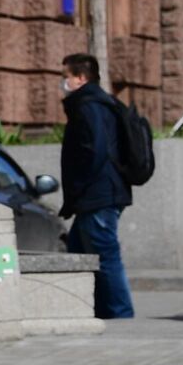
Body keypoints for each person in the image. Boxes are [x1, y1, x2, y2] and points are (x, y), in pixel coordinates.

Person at [57, 53, 135, 319]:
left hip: (99, 195)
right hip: (98, 194)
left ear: (80, 78)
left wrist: (78, 187)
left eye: (65, 76)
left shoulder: (90, 106)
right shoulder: (95, 103)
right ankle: (91, 311)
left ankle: (121, 315)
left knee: (105, 256)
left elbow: (95, 151)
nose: (62, 82)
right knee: (78, 251)